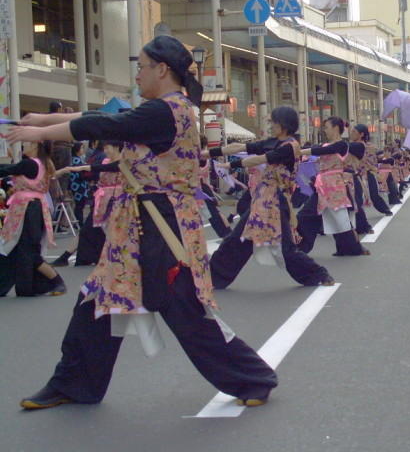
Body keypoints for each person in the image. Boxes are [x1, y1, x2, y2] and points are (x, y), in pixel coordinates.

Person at [13, 35, 277, 410]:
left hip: (162, 224)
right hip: (139, 224)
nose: (137, 76)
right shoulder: (162, 109)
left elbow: (105, 126)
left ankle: (254, 378)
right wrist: (43, 118)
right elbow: (107, 120)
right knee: (99, 298)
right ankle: (73, 383)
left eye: (142, 68)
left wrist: (39, 132)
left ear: (162, 70)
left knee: (184, 308)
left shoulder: (166, 111)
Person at [208, 106, 335, 289]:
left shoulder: (290, 146)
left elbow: (261, 159)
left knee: (285, 248)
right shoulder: (273, 141)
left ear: (283, 124)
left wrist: (230, 165)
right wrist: (209, 153)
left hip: (276, 200)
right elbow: (242, 147)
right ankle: (213, 278)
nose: (271, 125)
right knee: (238, 239)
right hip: (262, 198)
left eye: (273, 121)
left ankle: (317, 274)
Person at [0, 141, 66, 297]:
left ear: (36, 146)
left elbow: (6, 169)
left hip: (28, 210)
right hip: (32, 208)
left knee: (26, 250)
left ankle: (56, 280)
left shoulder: (30, 164)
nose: (24, 146)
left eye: (28, 143)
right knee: (18, 249)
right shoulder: (43, 163)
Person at [299, 117, 370, 256]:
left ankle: (353, 248)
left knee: (339, 219)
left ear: (336, 128)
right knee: (323, 217)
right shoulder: (326, 145)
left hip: (334, 186)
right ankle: (301, 248)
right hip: (323, 186)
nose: (325, 130)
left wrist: (301, 151)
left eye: (327, 127)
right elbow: (319, 153)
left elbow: (321, 151)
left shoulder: (342, 145)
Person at [52, 140, 124, 267]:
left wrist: (71, 169)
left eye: (108, 147)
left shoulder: (123, 162)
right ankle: (65, 256)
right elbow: (95, 173)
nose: (106, 151)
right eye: (105, 148)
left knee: (112, 231)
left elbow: (98, 169)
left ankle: (116, 258)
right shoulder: (105, 161)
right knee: (87, 229)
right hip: (102, 200)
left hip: (117, 200)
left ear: (117, 147)